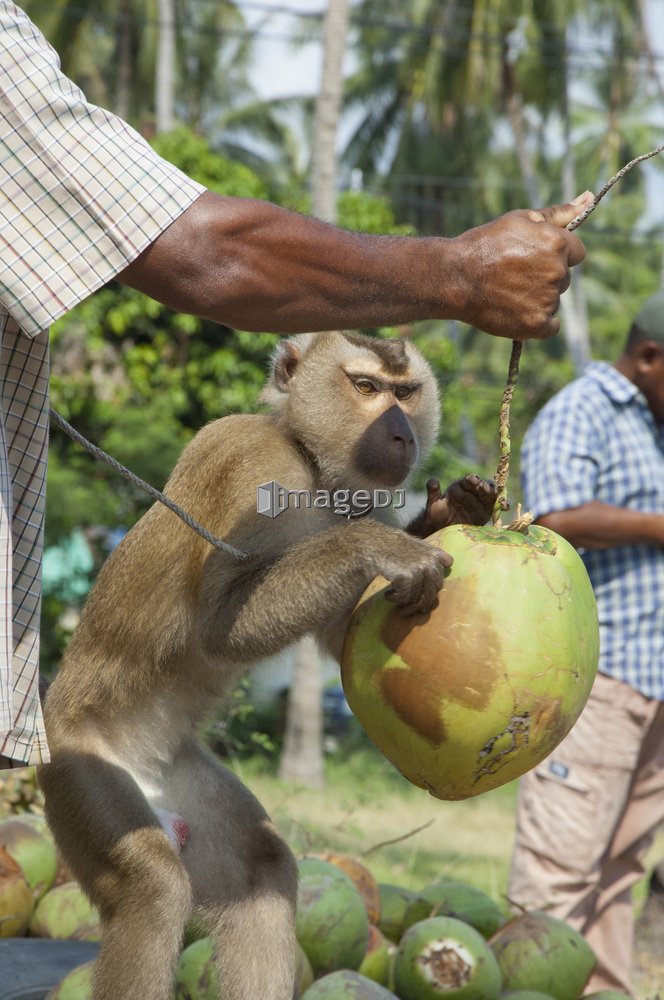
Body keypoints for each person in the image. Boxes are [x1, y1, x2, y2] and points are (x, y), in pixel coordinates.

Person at [0, 0, 591, 769]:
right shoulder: (255, 459)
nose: (393, 417)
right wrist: (461, 274)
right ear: (291, 377)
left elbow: (339, 616)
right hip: (107, 738)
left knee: (267, 879)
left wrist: (426, 533)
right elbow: (204, 252)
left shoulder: (336, 496)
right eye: (365, 387)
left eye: (406, 394)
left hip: (175, 744)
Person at [507, 287, 664, 997]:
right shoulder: (585, 408)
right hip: (597, 685)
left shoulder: (658, 425)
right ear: (652, 356)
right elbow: (553, 517)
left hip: (654, 687)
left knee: (620, 871)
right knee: (559, 874)